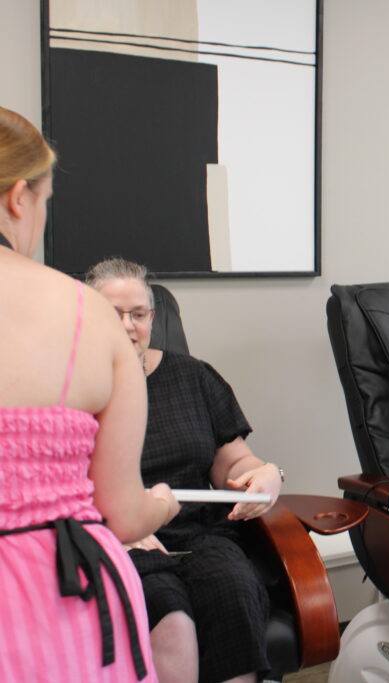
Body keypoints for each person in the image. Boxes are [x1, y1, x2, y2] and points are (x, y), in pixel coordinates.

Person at [0, 107, 180, 681]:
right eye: (46, 202)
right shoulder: (85, 315)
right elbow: (123, 515)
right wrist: (164, 503)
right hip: (52, 590)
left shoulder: (191, 374)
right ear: (19, 197)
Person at [86, 258, 284, 683]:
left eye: (138, 314)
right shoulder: (75, 388)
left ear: (153, 319)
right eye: (112, 314)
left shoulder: (193, 377)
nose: (127, 326)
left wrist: (263, 473)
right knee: (168, 610)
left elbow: (233, 461)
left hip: (199, 534)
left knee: (233, 591)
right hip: (121, 538)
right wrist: (121, 524)